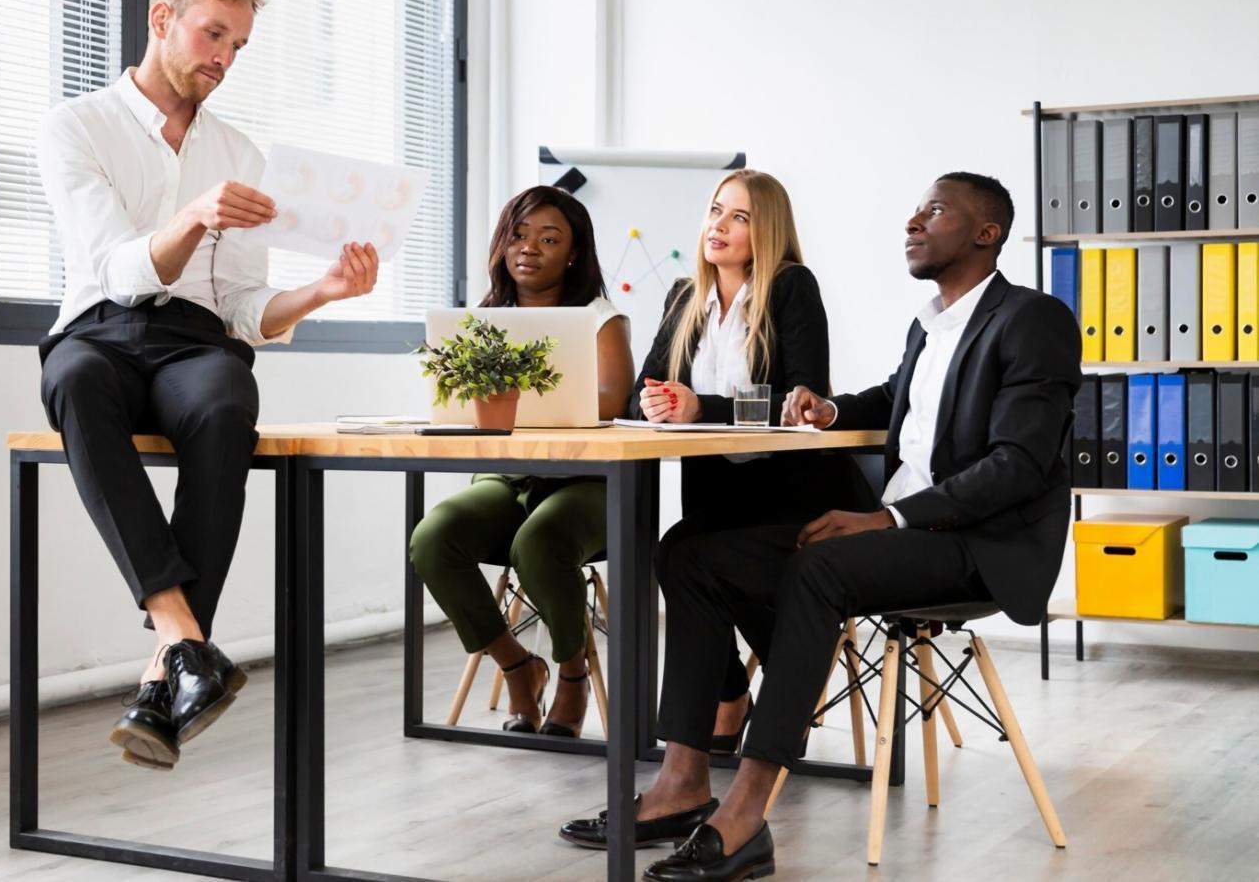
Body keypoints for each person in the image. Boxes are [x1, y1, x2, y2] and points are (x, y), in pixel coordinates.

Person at [561, 172, 1081, 880]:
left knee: (817, 566)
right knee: (690, 557)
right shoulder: (931, 322)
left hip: (972, 544)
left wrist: (889, 515)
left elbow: (1018, 466)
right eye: (916, 207)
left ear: (986, 233)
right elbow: (899, 397)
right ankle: (683, 779)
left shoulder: (1033, 319)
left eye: (934, 211)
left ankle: (745, 817)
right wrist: (832, 411)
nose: (912, 220)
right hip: (905, 527)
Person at [37, 0, 380, 771]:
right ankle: (186, 647)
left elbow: (241, 311)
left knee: (228, 396)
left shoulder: (240, 153)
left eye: (238, 45)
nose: (223, 59)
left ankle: (169, 667)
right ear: (163, 19)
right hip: (100, 331)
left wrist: (324, 290)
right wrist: (192, 217)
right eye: (213, 34)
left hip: (195, 340)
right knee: (76, 381)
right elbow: (118, 269)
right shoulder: (74, 127)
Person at [628, 169, 870, 761]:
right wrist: (657, 401)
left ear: (767, 231)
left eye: (740, 217)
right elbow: (645, 388)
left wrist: (699, 406)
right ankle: (736, 693)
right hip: (716, 489)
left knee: (688, 555)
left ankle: (783, 690)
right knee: (679, 552)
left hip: (795, 492)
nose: (720, 226)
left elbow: (800, 396)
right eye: (716, 211)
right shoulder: (684, 297)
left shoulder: (791, 286)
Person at [409, 186, 634, 737]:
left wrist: (510, 399)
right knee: (433, 538)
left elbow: (611, 400)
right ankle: (517, 665)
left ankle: (572, 672)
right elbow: (456, 402)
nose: (528, 247)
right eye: (518, 234)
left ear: (574, 253)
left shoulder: (599, 316)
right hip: (507, 477)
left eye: (549, 238)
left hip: (590, 482)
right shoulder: (485, 318)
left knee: (541, 541)